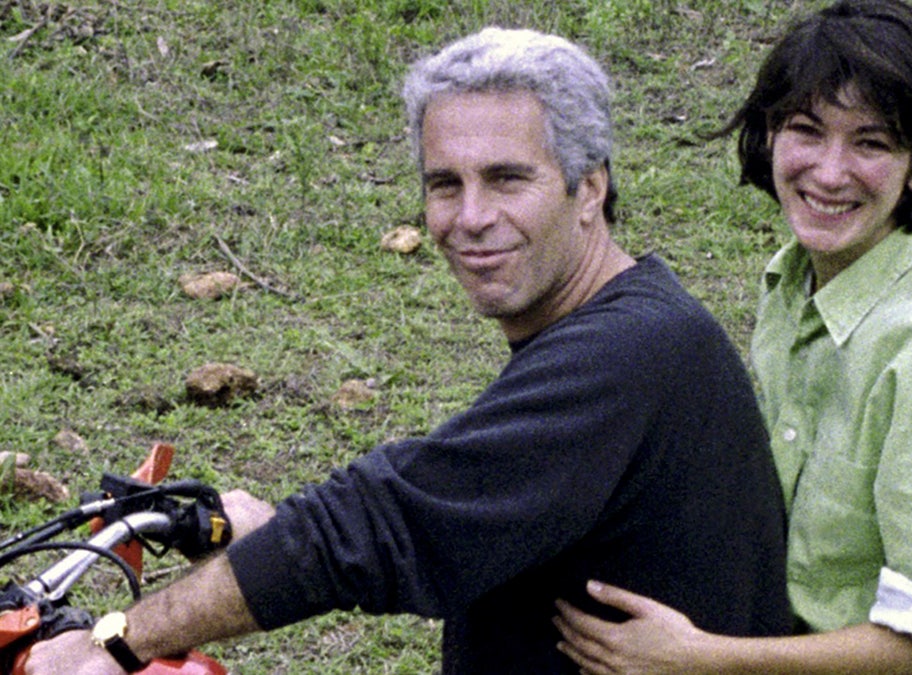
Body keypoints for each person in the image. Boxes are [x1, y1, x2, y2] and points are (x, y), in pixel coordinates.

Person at [26, 27, 793, 675]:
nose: (470, 217)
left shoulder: (630, 353)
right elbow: (443, 507)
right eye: (444, 184)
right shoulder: (624, 322)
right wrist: (270, 535)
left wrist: (118, 642)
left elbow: (384, 520)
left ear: (589, 188)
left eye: (505, 179)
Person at [553, 1, 912, 673]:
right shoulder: (796, 285)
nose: (829, 171)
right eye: (807, 130)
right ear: (769, 135)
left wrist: (705, 658)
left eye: (871, 143)